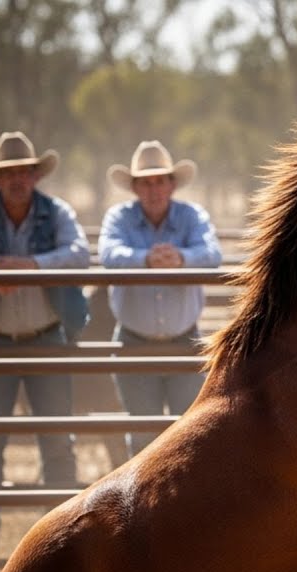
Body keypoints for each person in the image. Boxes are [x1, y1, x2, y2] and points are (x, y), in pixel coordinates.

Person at [0, 131, 90, 564]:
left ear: (35, 175)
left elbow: (79, 253)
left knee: (57, 441)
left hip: (45, 338)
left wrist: (31, 266)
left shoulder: (55, 211)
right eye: (9, 173)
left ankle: (60, 546)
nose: (17, 179)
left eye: (24, 171)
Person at [98, 140, 222, 457]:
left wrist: (180, 257)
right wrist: (145, 259)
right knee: (143, 437)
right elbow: (109, 254)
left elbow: (211, 254)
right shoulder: (119, 218)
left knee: (189, 436)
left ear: (171, 184)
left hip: (184, 341)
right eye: (146, 182)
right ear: (136, 187)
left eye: (159, 181)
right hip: (134, 342)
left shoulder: (192, 215)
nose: (153, 189)